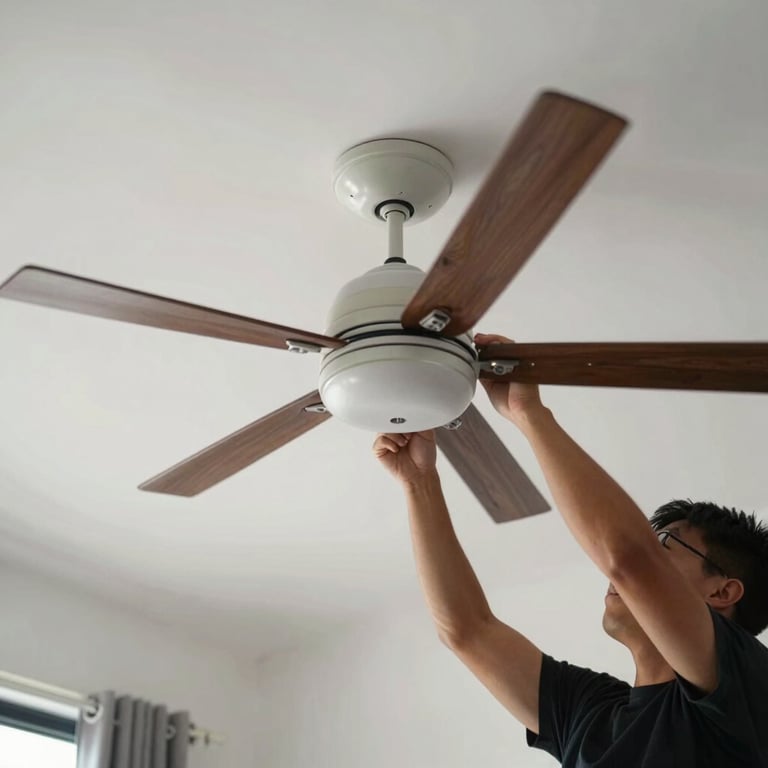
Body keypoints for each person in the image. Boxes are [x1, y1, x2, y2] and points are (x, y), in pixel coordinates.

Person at [373, 333, 768, 768]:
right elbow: (469, 631)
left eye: (666, 544)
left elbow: (629, 560)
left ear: (723, 592)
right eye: (654, 544)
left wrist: (530, 414)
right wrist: (418, 483)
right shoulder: (589, 712)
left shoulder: (745, 692)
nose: (643, 560)